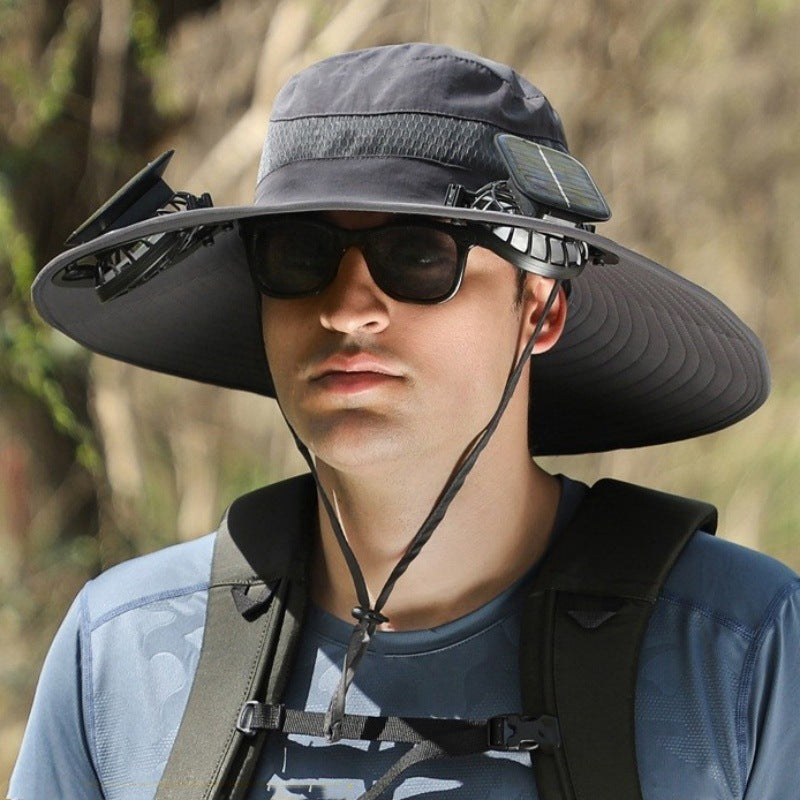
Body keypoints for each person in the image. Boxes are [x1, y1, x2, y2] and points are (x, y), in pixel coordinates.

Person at [8, 43, 799, 800]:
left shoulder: (741, 652)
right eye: (298, 254)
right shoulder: (120, 655)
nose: (349, 309)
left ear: (542, 305)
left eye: (420, 254)